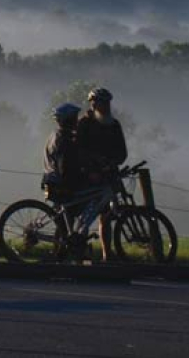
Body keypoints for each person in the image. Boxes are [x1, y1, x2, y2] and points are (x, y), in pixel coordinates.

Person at [76, 87, 127, 260]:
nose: (106, 106)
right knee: (85, 215)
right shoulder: (85, 123)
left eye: (107, 103)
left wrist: (113, 162)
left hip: (109, 175)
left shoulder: (114, 124)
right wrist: (92, 168)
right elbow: (79, 151)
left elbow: (122, 152)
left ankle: (107, 253)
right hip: (89, 176)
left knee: (107, 216)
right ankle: (79, 249)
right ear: (93, 104)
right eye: (102, 103)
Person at [42, 102, 83, 204]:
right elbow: (64, 166)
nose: (77, 121)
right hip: (59, 182)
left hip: (50, 179)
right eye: (74, 118)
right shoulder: (63, 140)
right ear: (68, 120)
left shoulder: (56, 134)